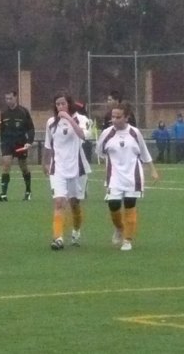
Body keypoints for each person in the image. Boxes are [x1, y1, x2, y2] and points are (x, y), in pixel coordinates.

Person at [96, 102, 159, 251]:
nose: (115, 120)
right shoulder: (107, 133)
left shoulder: (134, 133)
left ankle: (127, 240)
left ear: (126, 117)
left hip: (133, 176)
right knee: (114, 205)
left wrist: (153, 170)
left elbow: (144, 152)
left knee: (130, 205)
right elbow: (99, 151)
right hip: (114, 177)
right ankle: (119, 228)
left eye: (118, 117)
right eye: (113, 116)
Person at [43, 91, 91, 251]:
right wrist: (46, 162)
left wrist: (69, 118)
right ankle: (58, 238)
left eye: (63, 103)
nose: (61, 107)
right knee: (59, 202)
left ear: (69, 104)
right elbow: (48, 144)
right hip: (58, 168)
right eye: (58, 104)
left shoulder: (81, 119)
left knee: (75, 203)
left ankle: (76, 231)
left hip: (77, 168)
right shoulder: (51, 122)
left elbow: (84, 135)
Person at [0, 90, 35, 202]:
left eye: (10, 98)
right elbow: (2, 130)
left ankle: (28, 191)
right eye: (6, 99)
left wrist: (29, 141)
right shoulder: (4, 113)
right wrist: (2, 143)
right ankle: (3, 194)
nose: (8, 101)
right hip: (8, 144)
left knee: (24, 167)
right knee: (6, 165)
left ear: (15, 97)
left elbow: (31, 128)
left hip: (20, 143)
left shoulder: (23, 112)